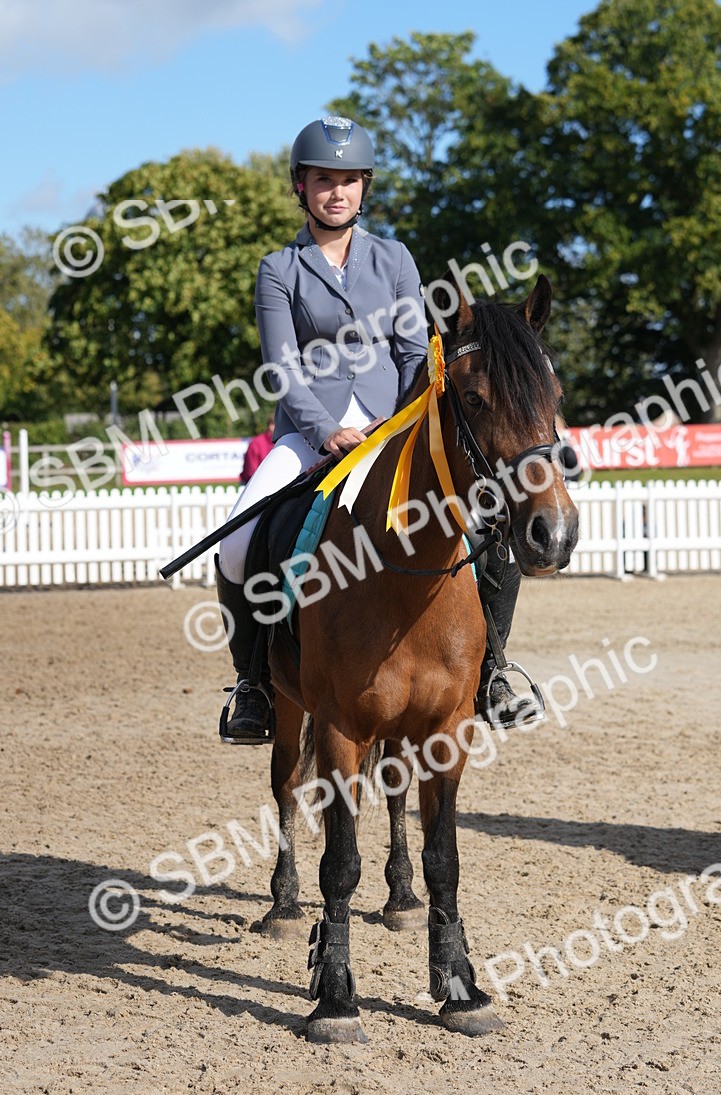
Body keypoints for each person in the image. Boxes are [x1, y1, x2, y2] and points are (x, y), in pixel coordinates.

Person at [216, 115, 541, 742]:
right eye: (323, 180)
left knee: (489, 526)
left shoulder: (394, 258)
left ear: (364, 186)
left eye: (348, 180)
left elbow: (415, 353)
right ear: (301, 186)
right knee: (237, 543)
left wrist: (402, 422)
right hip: (309, 436)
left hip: (396, 429)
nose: (336, 192)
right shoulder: (279, 269)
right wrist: (324, 431)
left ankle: (494, 671)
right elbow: (281, 366)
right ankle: (252, 683)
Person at [240, 415, 275, 484]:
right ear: (271, 426)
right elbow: (251, 471)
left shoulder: (283, 442)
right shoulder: (256, 443)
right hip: (253, 483)